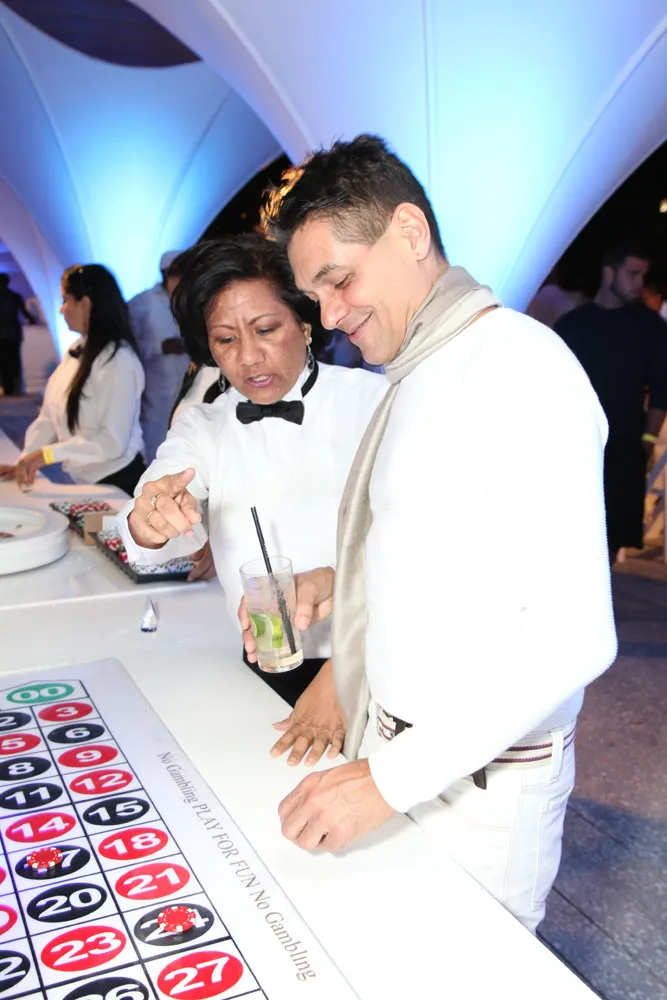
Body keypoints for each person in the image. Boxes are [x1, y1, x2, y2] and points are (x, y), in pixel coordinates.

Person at [246, 134, 617, 933]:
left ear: (409, 232)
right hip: (403, 763)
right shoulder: (424, 365)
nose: (329, 316)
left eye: (338, 280)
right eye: (314, 295)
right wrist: (339, 582)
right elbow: (454, 549)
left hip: (477, 793)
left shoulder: (517, 366)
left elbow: (575, 637)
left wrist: (387, 781)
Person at [117, 235, 387, 708]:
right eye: (226, 339)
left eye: (265, 330)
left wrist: (347, 672)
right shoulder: (203, 424)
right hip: (260, 663)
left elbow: (428, 547)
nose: (247, 357)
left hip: (375, 663)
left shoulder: (373, 403)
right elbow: (145, 514)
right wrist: (150, 517)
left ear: (305, 323)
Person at [555, 245, 667, 562]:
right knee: (568, 531)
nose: (639, 283)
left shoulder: (649, 327)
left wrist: (647, 439)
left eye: (643, 275)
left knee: (611, 538)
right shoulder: (572, 325)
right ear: (609, 273)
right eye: (632, 274)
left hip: (624, 446)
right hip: (574, 445)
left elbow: (662, 388)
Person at [0, 265, 145, 492]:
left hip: (117, 483)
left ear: (85, 304)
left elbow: (112, 443)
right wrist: (26, 461)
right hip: (88, 483)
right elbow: (48, 417)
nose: (61, 310)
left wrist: (47, 454)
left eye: (65, 300)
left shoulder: (118, 361)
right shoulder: (76, 350)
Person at [128, 251, 190, 463]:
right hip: (156, 390)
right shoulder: (142, 303)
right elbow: (130, 346)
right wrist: (159, 347)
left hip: (188, 385)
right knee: (156, 444)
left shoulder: (191, 299)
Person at [0, 273, 35, 396]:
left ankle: (5, 386)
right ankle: (13, 386)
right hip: (13, 334)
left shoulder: (15, 297)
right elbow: (26, 314)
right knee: (14, 361)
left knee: (2, 361)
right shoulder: (15, 297)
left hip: (2, 335)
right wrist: (33, 319)